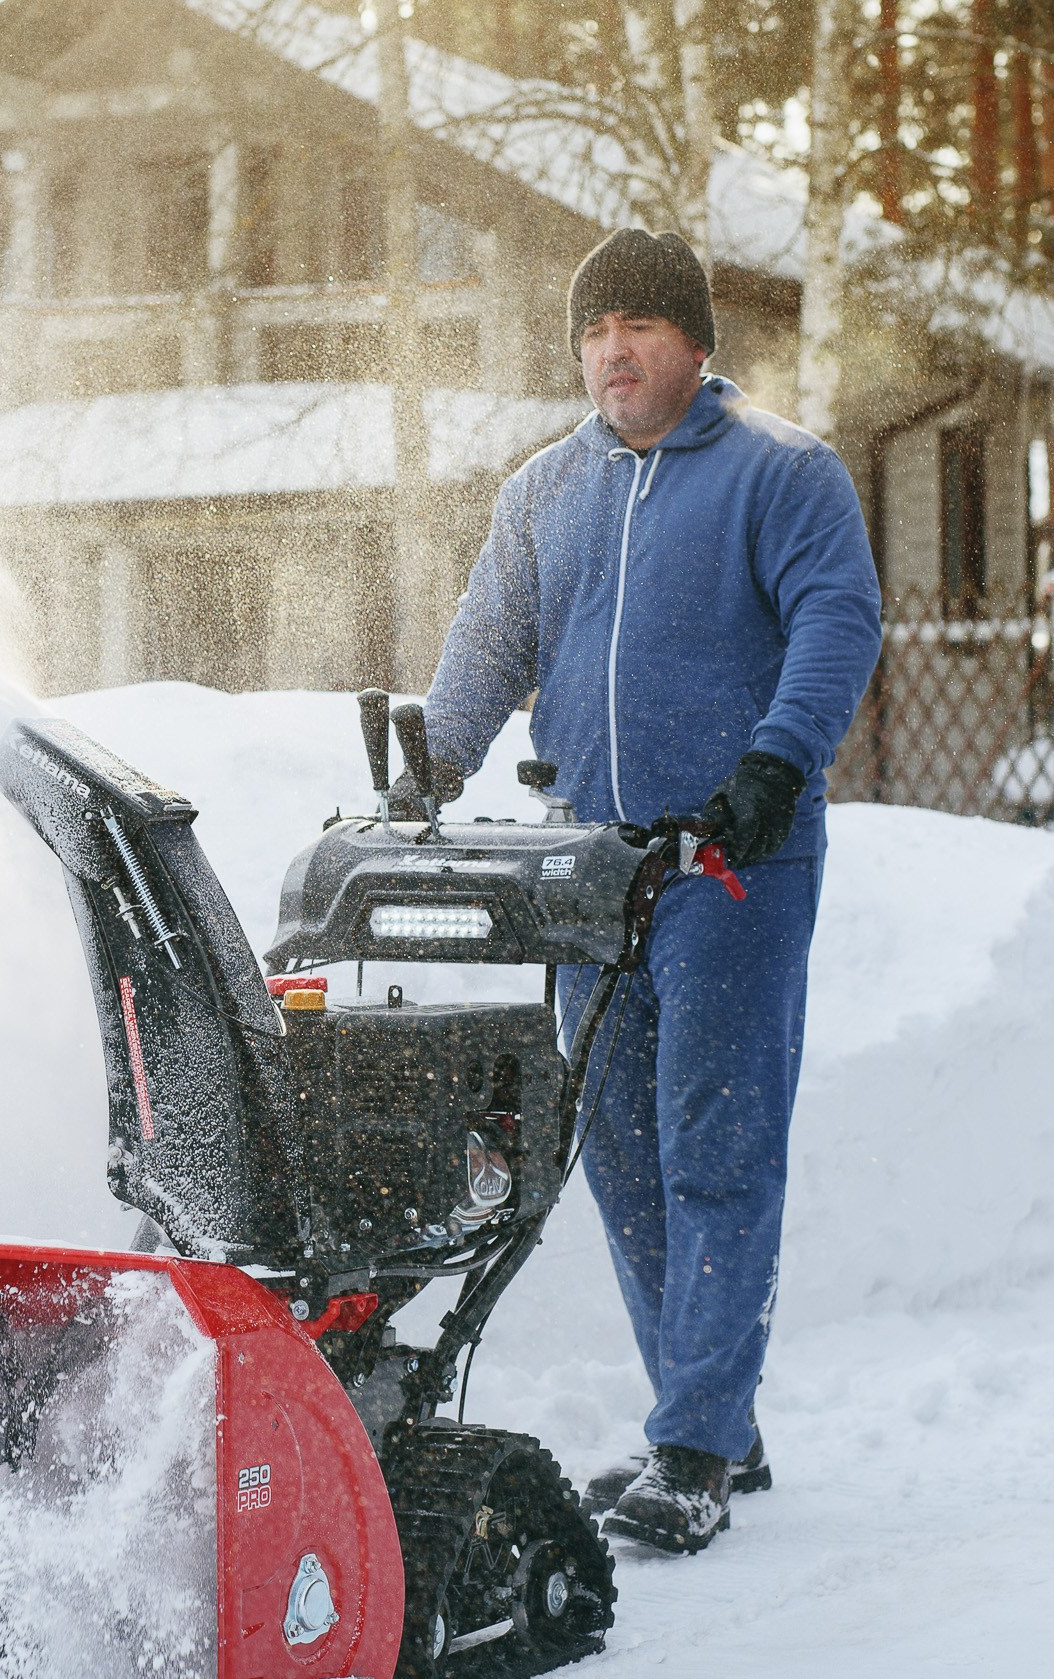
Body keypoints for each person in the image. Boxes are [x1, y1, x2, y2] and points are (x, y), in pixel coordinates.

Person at [405, 228, 882, 1555]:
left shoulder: (782, 473)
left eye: (640, 327)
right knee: (616, 1150)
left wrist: (776, 763)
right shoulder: (545, 489)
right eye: (594, 330)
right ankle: (711, 1414)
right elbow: (491, 637)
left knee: (714, 1146)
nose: (613, 352)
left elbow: (838, 621)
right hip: (591, 869)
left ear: (695, 343)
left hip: (732, 859)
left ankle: (692, 1449)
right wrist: (431, 764)